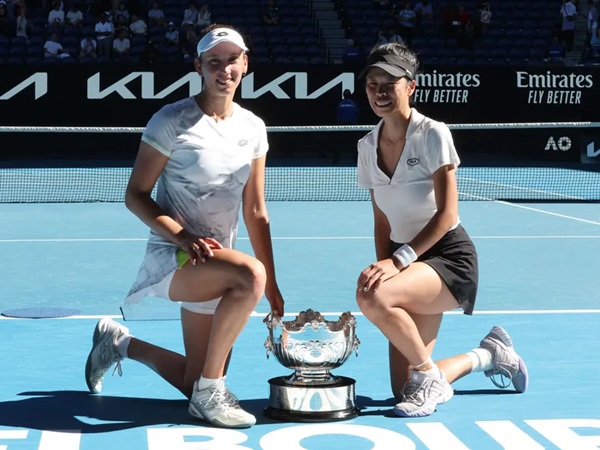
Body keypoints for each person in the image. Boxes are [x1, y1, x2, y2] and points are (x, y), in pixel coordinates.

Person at [84, 23, 285, 429]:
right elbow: (136, 195)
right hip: (173, 256)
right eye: (214, 62)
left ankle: (118, 343)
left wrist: (274, 286)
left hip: (216, 263)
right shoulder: (171, 120)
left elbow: (256, 212)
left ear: (245, 64)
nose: (223, 70)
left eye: (232, 60)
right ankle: (212, 394)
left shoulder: (254, 128)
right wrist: (183, 236)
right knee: (249, 275)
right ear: (199, 66)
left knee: (194, 379)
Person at [355, 42, 528, 418]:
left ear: (411, 86)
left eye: (390, 83)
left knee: (371, 297)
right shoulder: (366, 146)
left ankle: (429, 374)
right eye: (373, 84)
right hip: (407, 262)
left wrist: (396, 263)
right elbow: (382, 219)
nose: (380, 92)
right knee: (405, 388)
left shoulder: (433, 133)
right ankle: (488, 355)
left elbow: (448, 215)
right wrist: (385, 263)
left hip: (448, 259)